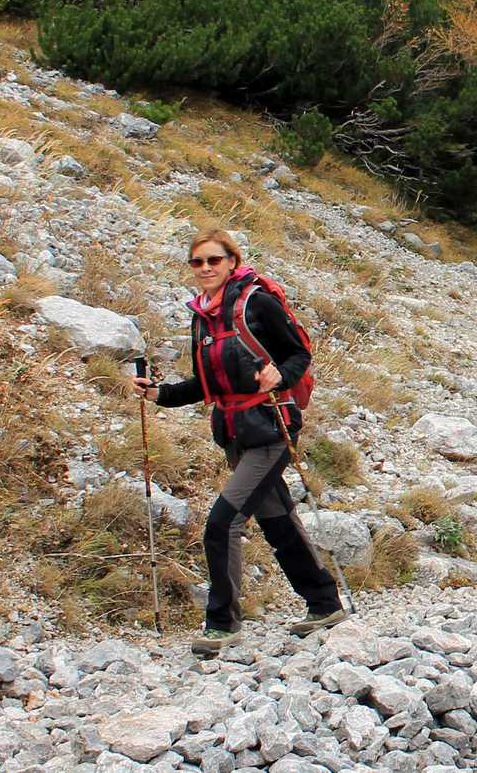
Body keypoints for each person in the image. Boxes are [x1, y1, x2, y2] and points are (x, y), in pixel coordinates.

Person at [133, 229, 344, 655]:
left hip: (271, 427)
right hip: (234, 432)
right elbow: (207, 384)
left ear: (232, 262)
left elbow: (299, 353)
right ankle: (324, 603)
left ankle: (222, 623)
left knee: (222, 521)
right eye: (198, 262)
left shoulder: (256, 303)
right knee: (277, 519)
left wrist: (279, 374)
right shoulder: (203, 317)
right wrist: (160, 394)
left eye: (214, 260)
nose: (206, 269)